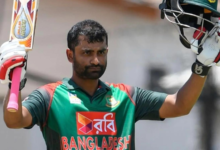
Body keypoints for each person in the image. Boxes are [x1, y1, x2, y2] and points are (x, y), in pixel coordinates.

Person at [1, 1, 220, 150]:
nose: (95, 60)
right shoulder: (49, 97)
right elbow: (14, 120)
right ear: (70, 55)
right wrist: (15, 84)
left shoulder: (126, 97)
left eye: (101, 52)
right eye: (87, 53)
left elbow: (180, 105)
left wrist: (202, 66)